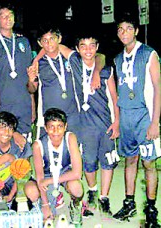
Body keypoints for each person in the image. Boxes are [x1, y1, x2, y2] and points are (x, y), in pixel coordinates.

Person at [56, 32, 120, 217]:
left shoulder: (106, 69)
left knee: (107, 161)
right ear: (77, 48)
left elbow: (114, 98)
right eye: (83, 45)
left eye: (92, 45)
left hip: (105, 123)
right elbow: (54, 45)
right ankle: (93, 190)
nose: (88, 50)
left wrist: (116, 122)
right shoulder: (75, 62)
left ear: (97, 47)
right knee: (89, 161)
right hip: (85, 124)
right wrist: (36, 61)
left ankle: (104, 197)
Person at [111, 14, 160, 227]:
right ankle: (129, 203)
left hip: (144, 117)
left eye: (128, 28)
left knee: (149, 164)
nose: (124, 33)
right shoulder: (117, 59)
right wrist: (118, 121)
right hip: (127, 118)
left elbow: (158, 89)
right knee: (130, 161)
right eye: (120, 29)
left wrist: (155, 121)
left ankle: (151, 208)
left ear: (136, 31)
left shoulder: (149, 54)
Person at [0, 3, 34, 142]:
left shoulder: (24, 42)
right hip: (3, 106)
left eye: (10, 15)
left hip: (24, 105)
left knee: (24, 150)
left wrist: (32, 105)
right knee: (5, 150)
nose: (7, 19)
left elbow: (30, 77)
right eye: (3, 16)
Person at [32, 108, 84, 226]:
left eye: (60, 126)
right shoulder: (38, 145)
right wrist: (45, 204)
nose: (56, 131)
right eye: (51, 127)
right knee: (48, 218)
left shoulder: (70, 138)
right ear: (45, 128)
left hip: (65, 172)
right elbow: (40, 179)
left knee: (76, 188)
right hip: (47, 174)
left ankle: (76, 205)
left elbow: (77, 173)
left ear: (65, 127)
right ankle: (55, 197)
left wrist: (51, 181)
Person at [0, 111, 39, 208]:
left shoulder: (20, 145)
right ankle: (3, 210)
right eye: (2, 127)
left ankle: (22, 207)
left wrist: (11, 195)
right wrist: (6, 158)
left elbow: (22, 175)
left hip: (20, 183)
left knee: (33, 191)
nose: (6, 132)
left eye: (10, 128)